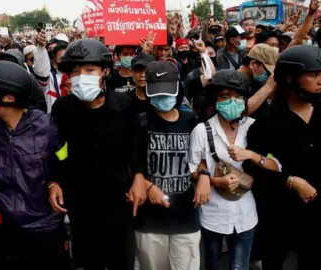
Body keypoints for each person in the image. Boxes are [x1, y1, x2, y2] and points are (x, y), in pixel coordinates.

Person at [245, 45, 321, 270]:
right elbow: (253, 165)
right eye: (313, 75)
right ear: (289, 79)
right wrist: (291, 181)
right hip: (279, 214)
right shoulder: (267, 121)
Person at [49, 39, 135, 270]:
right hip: (80, 203)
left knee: (121, 261)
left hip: (118, 202)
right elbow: (58, 149)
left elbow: (134, 150)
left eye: (89, 70)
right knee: (88, 262)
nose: (81, 76)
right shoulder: (62, 109)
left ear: (104, 71)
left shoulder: (125, 106)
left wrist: (139, 179)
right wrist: (54, 181)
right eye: (75, 71)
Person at [0, 61, 72, 270]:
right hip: (7, 229)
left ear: (8, 98)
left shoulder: (47, 125)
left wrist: (55, 181)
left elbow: (65, 161)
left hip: (46, 227)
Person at [188, 70, 275, 270]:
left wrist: (251, 155)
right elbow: (192, 170)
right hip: (213, 214)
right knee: (213, 262)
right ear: (215, 100)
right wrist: (212, 181)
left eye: (238, 97)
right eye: (225, 97)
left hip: (246, 213)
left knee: (239, 267)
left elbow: (275, 166)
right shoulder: (202, 131)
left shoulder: (255, 128)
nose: (232, 102)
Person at [129, 61, 200, 270]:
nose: (163, 97)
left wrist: (203, 176)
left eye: (168, 91)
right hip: (150, 220)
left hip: (186, 216)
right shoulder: (140, 122)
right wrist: (148, 186)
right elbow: (132, 163)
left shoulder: (191, 120)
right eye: (157, 92)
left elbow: (201, 157)